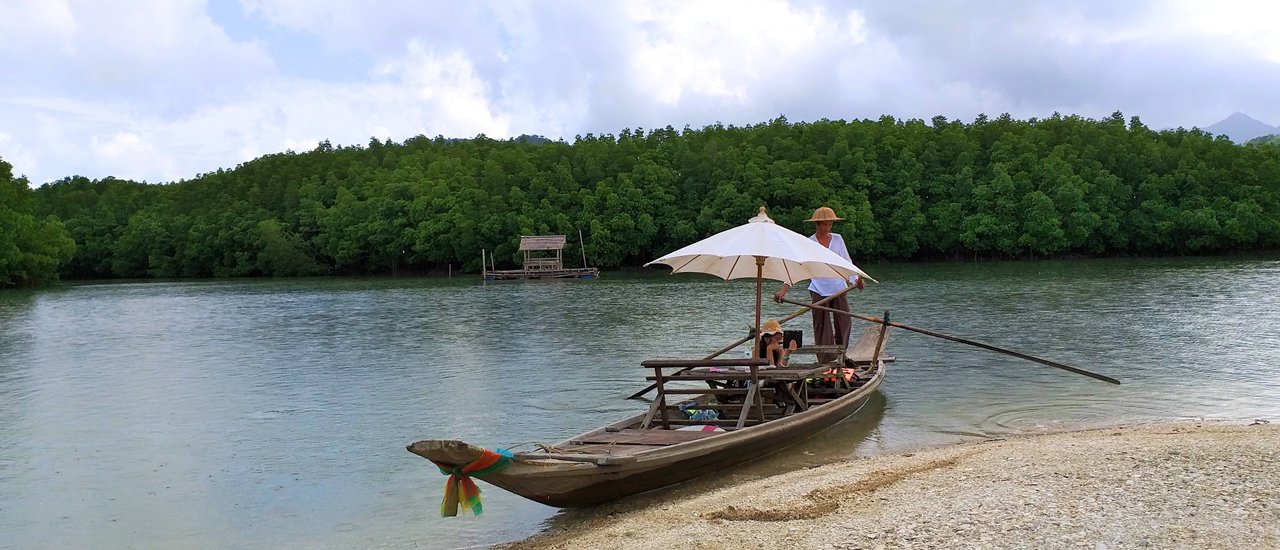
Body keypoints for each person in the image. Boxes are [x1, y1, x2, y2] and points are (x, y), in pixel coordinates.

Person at [772, 206, 863, 362]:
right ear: (817, 224)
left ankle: (841, 354)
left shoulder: (838, 239)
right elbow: (797, 267)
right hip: (818, 288)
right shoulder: (809, 243)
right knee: (821, 325)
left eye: (830, 224)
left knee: (844, 321)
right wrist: (783, 290)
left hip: (839, 288)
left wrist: (855, 280)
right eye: (825, 224)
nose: (828, 227)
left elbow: (846, 262)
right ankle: (826, 358)